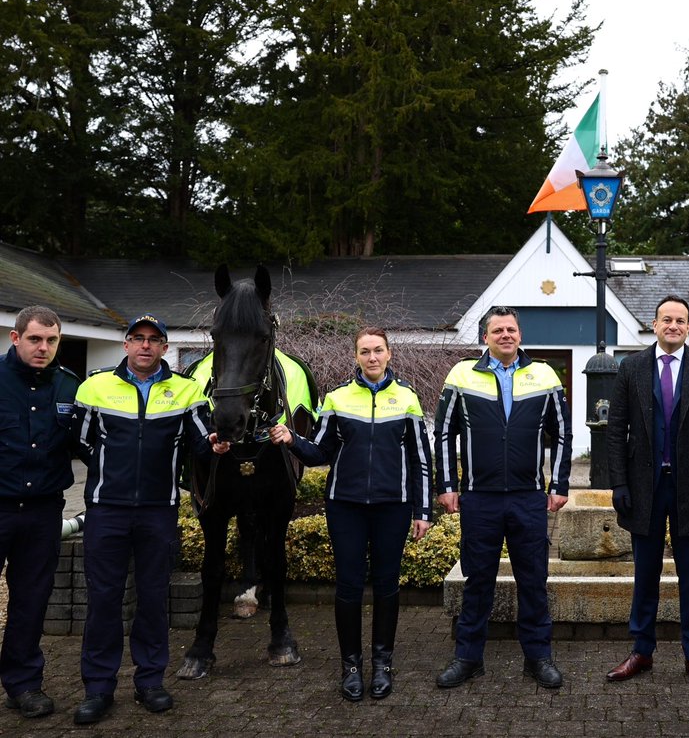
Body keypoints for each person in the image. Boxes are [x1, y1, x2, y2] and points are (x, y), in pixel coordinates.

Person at [72, 314, 229, 725]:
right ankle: (98, 688)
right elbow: (83, 442)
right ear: (125, 344)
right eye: (137, 338)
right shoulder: (94, 386)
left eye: (154, 340)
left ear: (164, 347)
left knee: (154, 598)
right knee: (103, 601)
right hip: (107, 510)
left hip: (159, 511)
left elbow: (201, 440)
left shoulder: (187, 390)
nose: (145, 346)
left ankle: (150, 682)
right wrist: (115, 476)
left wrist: (217, 442)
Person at [269, 327, 433, 702]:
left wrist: (423, 510)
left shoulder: (406, 397)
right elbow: (321, 452)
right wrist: (292, 440)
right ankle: (352, 666)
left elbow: (421, 460)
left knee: (388, 586)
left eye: (378, 350)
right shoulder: (337, 397)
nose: (372, 357)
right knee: (348, 587)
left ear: (389, 354)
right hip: (345, 506)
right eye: (364, 351)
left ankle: (382, 664)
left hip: (393, 506)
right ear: (356, 356)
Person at [432, 306, 571, 689]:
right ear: (486, 337)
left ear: (520, 336)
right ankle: (468, 658)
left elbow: (562, 433)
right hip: (480, 498)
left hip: (528, 498)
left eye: (511, 329)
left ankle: (538, 658)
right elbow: (444, 434)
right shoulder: (462, 375)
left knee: (533, 580)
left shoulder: (543, 375)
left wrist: (559, 485)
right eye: (497, 330)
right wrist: (447, 485)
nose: (505, 335)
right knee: (477, 581)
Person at [605, 295, 689, 690]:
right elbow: (616, 429)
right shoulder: (632, 368)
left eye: (680, 320)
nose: (673, 325)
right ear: (654, 324)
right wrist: (620, 483)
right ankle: (641, 651)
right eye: (666, 319)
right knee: (645, 574)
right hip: (645, 489)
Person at [0, 307, 80, 719]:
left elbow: (91, 447)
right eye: (34, 339)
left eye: (51, 341)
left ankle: (23, 685)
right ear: (16, 339)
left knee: (31, 601)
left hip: (43, 511)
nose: (43, 348)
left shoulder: (71, 388)